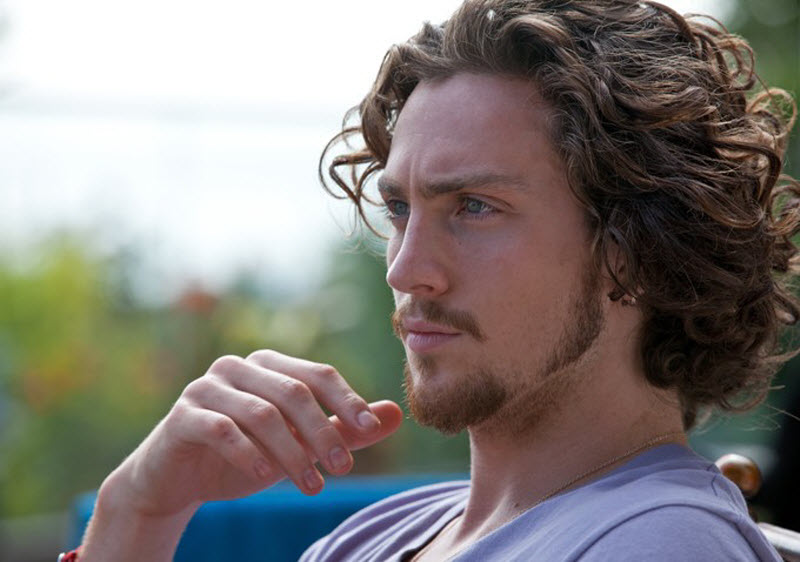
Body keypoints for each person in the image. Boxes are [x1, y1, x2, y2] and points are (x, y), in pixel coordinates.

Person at [65, 0, 799, 560]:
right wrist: (138, 510)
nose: (404, 267)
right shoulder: (379, 535)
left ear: (634, 249)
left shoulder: (661, 542)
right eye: (398, 208)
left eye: (473, 207)